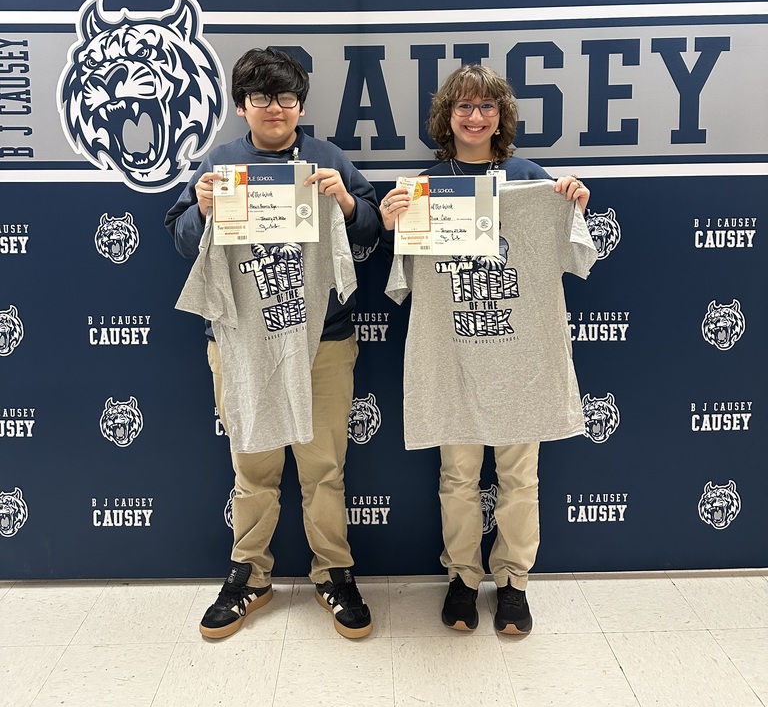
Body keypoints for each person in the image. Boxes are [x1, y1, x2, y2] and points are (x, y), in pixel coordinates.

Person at [165, 47, 382, 641]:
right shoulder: (221, 163)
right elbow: (185, 242)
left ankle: (333, 571)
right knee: (253, 464)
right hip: (243, 341)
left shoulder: (327, 158)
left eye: (286, 98)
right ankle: (250, 575)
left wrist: (344, 200)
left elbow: (370, 228)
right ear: (242, 107)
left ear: (301, 105)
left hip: (323, 338)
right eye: (261, 98)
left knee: (323, 467)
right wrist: (204, 210)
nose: (275, 108)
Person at [379, 64, 593, 636]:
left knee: (521, 477)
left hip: (521, 358)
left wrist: (572, 202)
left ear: (502, 116)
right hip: (453, 358)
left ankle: (515, 582)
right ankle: (463, 577)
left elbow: (576, 254)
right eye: (464, 107)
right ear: (446, 116)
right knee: (458, 475)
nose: (476, 117)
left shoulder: (530, 179)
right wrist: (391, 220)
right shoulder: (423, 186)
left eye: (487, 107)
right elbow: (399, 277)